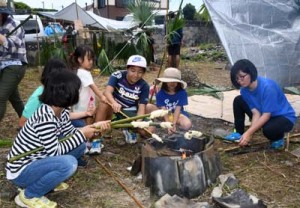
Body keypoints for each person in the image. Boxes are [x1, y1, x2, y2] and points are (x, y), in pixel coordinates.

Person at [6, 70, 110, 208]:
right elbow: (55, 151)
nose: (78, 94)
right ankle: (28, 195)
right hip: (22, 171)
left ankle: (47, 180)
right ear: (66, 94)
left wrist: (94, 128)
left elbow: (70, 133)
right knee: (69, 163)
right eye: (76, 91)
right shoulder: (45, 118)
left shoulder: (62, 111)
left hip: (39, 159)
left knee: (79, 146)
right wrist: (83, 133)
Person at [226, 59, 296, 149]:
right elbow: (256, 112)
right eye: (237, 78)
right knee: (238, 100)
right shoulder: (244, 90)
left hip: (283, 117)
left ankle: (278, 138)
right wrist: (249, 133)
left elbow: (266, 115)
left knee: (268, 130)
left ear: (250, 73)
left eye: (242, 77)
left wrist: (249, 133)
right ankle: (239, 133)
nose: (239, 81)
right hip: (264, 113)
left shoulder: (268, 87)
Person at [18, 58, 94, 128]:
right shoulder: (37, 97)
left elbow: (65, 115)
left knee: (80, 125)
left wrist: (86, 113)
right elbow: (22, 123)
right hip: (43, 131)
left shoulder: (59, 93)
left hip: (56, 125)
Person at [95, 55, 150, 143]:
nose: (136, 75)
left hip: (129, 111)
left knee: (149, 129)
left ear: (143, 73)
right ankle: (96, 136)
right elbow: (107, 92)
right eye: (133, 70)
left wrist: (138, 122)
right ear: (127, 69)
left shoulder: (144, 86)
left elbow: (142, 107)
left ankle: (130, 129)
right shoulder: (118, 75)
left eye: (140, 72)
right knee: (104, 101)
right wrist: (114, 103)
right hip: (114, 109)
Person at [69, 45, 107, 154]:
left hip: (83, 104)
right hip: (83, 106)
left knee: (87, 123)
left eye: (92, 59)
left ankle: (87, 143)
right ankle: (87, 144)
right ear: (80, 60)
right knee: (87, 123)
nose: (91, 62)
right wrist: (102, 97)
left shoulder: (80, 71)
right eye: (89, 59)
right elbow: (93, 87)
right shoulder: (83, 72)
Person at [0, 0, 27, 122]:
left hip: (15, 64)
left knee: (1, 96)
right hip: (2, 66)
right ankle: (29, 124)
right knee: (14, 98)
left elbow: (12, 46)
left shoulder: (16, 24)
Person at [147, 67, 192, 134]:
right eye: (169, 81)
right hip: (163, 114)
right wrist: (168, 124)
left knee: (187, 125)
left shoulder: (182, 93)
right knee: (148, 106)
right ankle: (156, 122)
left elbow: (178, 109)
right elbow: (163, 109)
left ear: (178, 82)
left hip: (177, 114)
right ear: (165, 82)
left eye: (174, 81)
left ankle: (174, 124)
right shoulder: (160, 93)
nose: (172, 83)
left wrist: (173, 123)